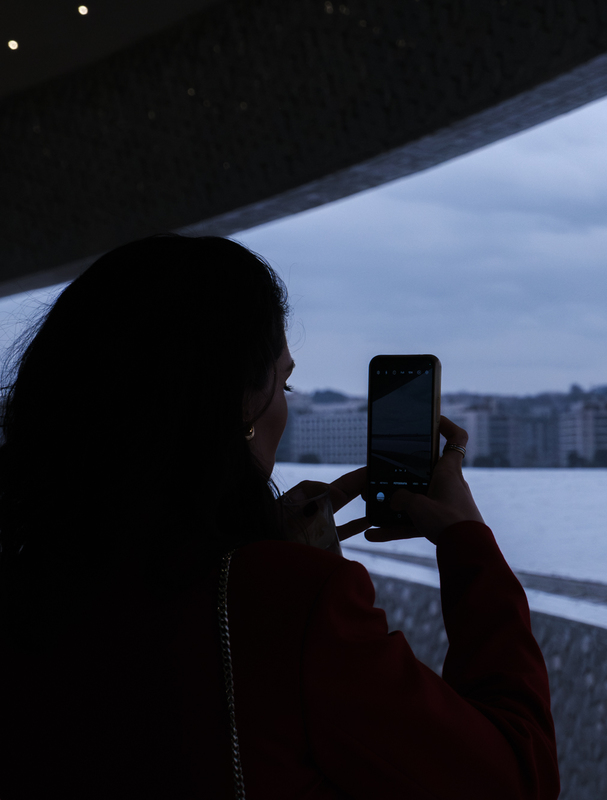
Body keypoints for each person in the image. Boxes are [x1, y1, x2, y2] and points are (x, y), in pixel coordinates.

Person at [0, 235, 559, 798]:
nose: (286, 405)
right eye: (284, 381)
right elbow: (515, 774)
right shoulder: (293, 603)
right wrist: (469, 544)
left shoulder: (29, 579)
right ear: (239, 403)